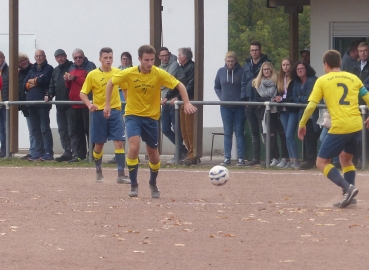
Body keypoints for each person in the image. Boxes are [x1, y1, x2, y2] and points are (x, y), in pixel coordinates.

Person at [104, 44, 197, 198]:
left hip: (151, 118)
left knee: (153, 154)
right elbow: (110, 83)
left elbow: (179, 85)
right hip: (133, 115)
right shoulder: (129, 72)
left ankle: (153, 183)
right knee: (134, 147)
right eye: (146, 60)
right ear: (139, 59)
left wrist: (186, 103)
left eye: (152, 60)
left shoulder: (158, 73)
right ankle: (134, 184)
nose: (149, 63)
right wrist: (107, 104)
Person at [298, 49, 369, 208]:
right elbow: (367, 97)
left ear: (326, 65)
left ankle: (347, 187)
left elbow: (311, 106)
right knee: (346, 159)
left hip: (340, 126)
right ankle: (350, 197)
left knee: (321, 162)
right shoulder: (353, 78)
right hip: (357, 125)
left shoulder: (322, 80)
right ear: (341, 63)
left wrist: (302, 124)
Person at [79, 47, 130, 185]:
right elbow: (83, 93)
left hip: (115, 111)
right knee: (99, 145)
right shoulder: (92, 75)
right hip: (99, 113)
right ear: (100, 59)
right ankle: (98, 171)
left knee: (119, 142)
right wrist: (90, 105)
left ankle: (121, 174)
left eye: (110, 58)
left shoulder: (118, 73)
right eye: (106, 58)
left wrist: (129, 105)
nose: (108, 60)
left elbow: (125, 89)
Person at [240, 41, 271, 166]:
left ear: (260, 50)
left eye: (256, 50)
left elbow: (270, 81)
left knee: (265, 131)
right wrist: (244, 100)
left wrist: (262, 101)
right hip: (249, 103)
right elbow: (243, 83)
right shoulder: (247, 65)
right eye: (252, 50)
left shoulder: (266, 63)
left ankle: (268, 158)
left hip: (262, 104)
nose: (254, 52)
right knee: (253, 132)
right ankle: (255, 158)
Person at [252, 61, 287, 166]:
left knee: (283, 135)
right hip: (265, 113)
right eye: (264, 69)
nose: (266, 71)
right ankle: (274, 158)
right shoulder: (256, 82)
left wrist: (277, 98)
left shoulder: (278, 81)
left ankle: (285, 158)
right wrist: (270, 99)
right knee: (270, 136)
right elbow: (257, 98)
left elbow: (281, 93)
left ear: (272, 70)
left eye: (268, 69)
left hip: (278, 111)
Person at [214, 51, 246, 166]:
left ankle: (241, 158)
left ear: (235, 61)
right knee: (227, 132)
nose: (230, 63)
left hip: (239, 107)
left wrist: (243, 99)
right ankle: (227, 158)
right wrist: (222, 97)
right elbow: (216, 86)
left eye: (232, 61)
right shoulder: (221, 72)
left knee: (239, 132)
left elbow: (244, 86)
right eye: (228, 61)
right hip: (225, 107)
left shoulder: (241, 71)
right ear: (225, 61)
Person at [65, 48, 96, 163]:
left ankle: (93, 154)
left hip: (87, 104)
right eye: (75, 58)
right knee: (77, 131)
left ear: (84, 56)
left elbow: (90, 82)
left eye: (80, 57)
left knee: (89, 130)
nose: (78, 59)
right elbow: (69, 86)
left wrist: (75, 78)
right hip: (74, 105)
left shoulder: (90, 66)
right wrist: (67, 80)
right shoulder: (72, 67)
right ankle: (80, 155)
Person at [158, 47, 187, 164]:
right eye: (162, 56)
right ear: (159, 57)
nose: (165, 57)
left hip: (173, 101)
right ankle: (182, 149)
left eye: (166, 55)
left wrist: (161, 83)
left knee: (177, 128)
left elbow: (167, 80)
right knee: (165, 129)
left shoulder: (174, 64)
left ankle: (178, 153)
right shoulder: (159, 68)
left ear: (169, 55)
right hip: (164, 102)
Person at [23, 50, 54, 161]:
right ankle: (38, 151)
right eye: (37, 56)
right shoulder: (32, 69)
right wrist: (34, 81)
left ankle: (48, 152)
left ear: (45, 56)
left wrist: (34, 81)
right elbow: (24, 85)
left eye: (41, 56)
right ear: (34, 58)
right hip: (31, 103)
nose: (39, 58)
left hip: (42, 104)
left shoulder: (49, 68)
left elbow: (43, 80)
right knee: (35, 129)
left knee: (45, 128)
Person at [47, 49, 75, 162]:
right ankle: (67, 151)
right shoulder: (56, 70)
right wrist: (49, 95)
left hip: (71, 105)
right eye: (58, 57)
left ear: (66, 56)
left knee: (72, 130)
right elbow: (52, 86)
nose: (60, 58)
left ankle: (76, 152)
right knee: (62, 130)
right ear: (56, 59)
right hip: (59, 105)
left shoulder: (72, 67)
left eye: (62, 56)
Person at [172, 47, 198, 166]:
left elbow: (190, 84)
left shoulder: (192, 67)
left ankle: (193, 153)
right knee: (183, 129)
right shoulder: (181, 68)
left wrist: (181, 97)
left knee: (189, 129)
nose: (178, 57)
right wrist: (168, 97)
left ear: (185, 57)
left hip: (189, 100)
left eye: (179, 55)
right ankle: (189, 152)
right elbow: (176, 85)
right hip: (182, 102)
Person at [292, 61, 319, 170]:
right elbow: (294, 97)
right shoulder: (296, 82)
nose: (299, 70)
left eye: (302, 68)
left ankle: (318, 161)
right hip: (303, 114)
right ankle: (310, 161)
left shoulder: (313, 80)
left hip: (315, 113)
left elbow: (309, 98)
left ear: (306, 69)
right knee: (308, 138)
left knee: (317, 137)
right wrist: (300, 98)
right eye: (297, 69)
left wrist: (300, 98)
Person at [107, 51, 133, 165]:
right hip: (118, 107)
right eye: (123, 58)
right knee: (119, 133)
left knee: (130, 132)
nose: (125, 60)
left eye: (127, 58)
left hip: (129, 106)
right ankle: (119, 155)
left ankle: (131, 154)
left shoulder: (132, 71)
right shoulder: (117, 71)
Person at [275, 58, 300, 169]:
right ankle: (290, 160)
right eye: (283, 65)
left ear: (291, 66)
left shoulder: (295, 79)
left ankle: (295, 160)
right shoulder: (280, 79)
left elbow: (293, 96)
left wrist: (283, 100)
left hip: (292, 110)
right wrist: (277, 98)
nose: (285, 67)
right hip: (282, 110)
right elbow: (280, 92)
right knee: (286, 135)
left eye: (287, 65)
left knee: (290, 135)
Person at [18, 53, 36, 159]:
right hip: (25, 104)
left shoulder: (33, 69)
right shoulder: (18, 74)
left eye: (24, 60)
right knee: (32, 129)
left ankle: (36, 150)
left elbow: (34, 84)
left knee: (38, 129)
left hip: (34, 103)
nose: (23, 62)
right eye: (20, 61)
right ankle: (33, 150)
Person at [0, 51, 8, 157]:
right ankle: (2, 151)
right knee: (1, 128)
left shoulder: (9, 70)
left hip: (6, 104)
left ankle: (7, 150)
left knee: (7, 128)